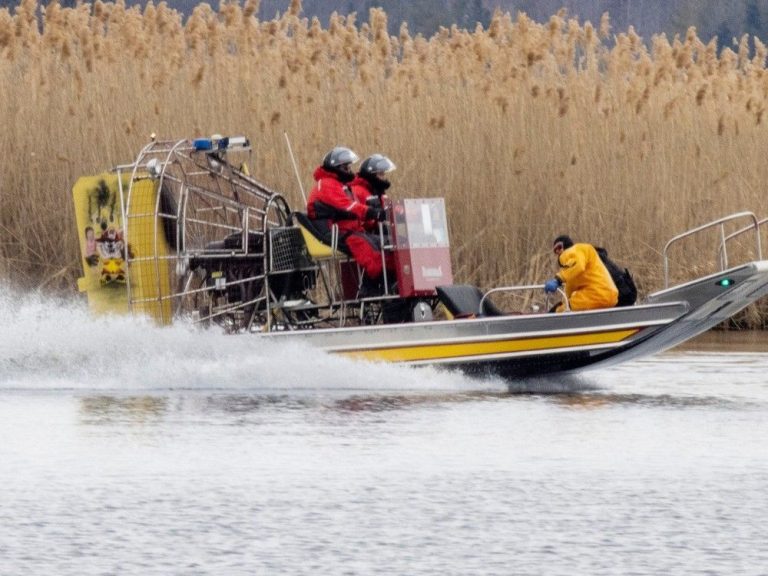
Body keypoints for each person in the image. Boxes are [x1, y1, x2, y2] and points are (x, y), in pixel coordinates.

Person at [306, 147, 393, 283]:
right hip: (337, 233)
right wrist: (372, 213)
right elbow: (347, 206)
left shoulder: (343, 186)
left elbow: (354, 211)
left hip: (351, 231)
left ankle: (391, 283)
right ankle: (377, 287)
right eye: (346, 167)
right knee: (372, 253)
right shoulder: (327, 184)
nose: (350, 170)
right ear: (337, 167)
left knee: (387, 244)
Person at [544, 235, 618, 312]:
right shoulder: (574, 267)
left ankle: (549, 322)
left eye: (559, 248)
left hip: (596, 295)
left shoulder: (572, 251)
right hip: (610, 296)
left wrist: (558, 280)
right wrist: (562, 302)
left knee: (560, 311)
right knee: (562, 307)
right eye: (555, 251)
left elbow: (578, 265)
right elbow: (570, 288)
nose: (558, 252)